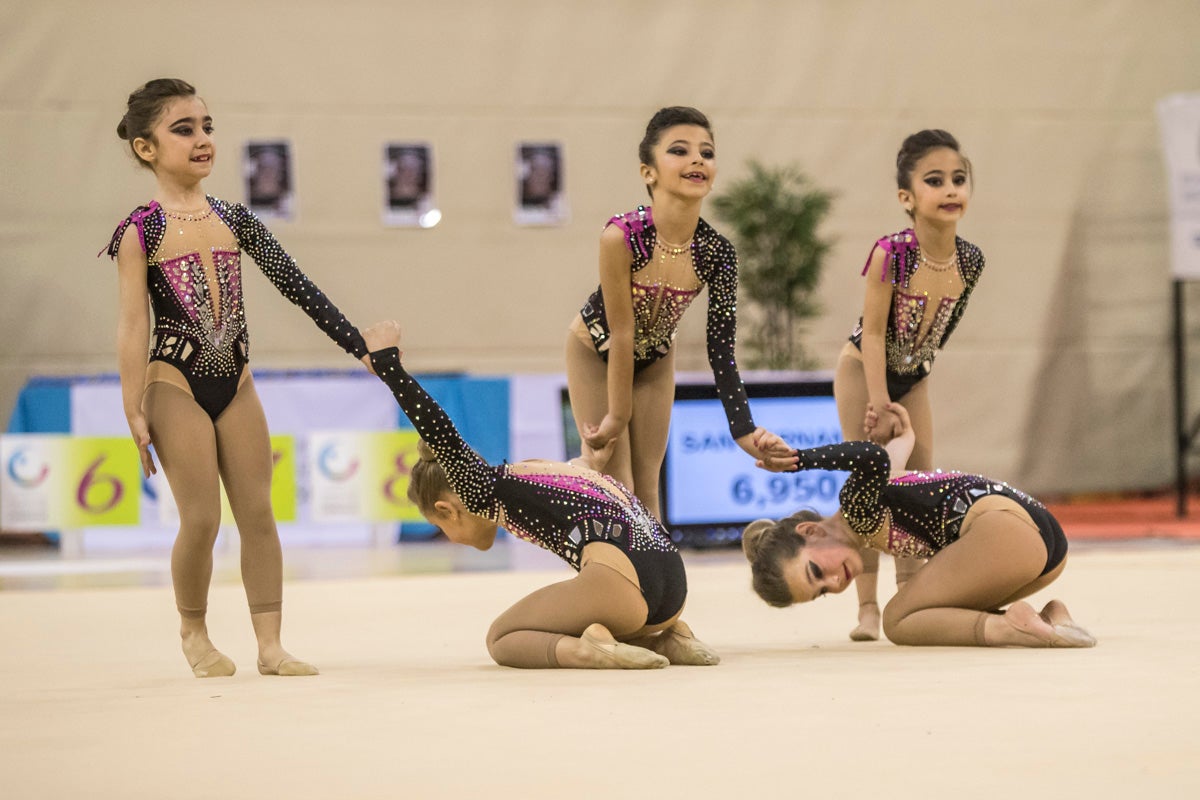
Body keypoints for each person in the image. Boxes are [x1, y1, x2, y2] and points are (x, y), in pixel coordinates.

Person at [100, 78, 370, 677]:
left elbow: (299, 287)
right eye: (184, 129)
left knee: (258, 513)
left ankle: (270, 646)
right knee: (201, 519)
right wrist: (132, 406)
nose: (202, 140)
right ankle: (193, 632)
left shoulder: (233, 218)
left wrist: (360, 346)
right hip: (174, 384)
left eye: (207, 127)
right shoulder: (139, 231)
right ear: (147, 149)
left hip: (237, 384)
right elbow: (130, 326)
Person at [363, 320, 777, 669]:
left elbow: (440, 431)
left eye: (440, 526)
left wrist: (388, 365)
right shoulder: (537, 471)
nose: (449, 538)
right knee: (583, 599)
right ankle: (666, 638)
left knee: (502, 638)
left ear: (446, 508)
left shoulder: (480, 491)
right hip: (673, 590)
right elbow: (582, 475)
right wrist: (592, 459)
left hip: (624, 585)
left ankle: (587, 649)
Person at [566, 106, 788, 519]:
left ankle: (658, 586)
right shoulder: (622, 236)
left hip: (654, 359)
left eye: (707, 152)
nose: (697, 160)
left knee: (648, 489)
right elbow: (621, 332)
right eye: (680, 151)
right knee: (618, 486)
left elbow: (721, 350)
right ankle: (609, 579)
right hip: (596, 351)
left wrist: (744, 429)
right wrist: (616, 416)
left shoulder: (717, 253)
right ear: (648, 172)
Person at [742, 402, 1095, 648]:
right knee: (940, 612)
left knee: (899, 619)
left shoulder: (855, 509)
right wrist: (905, 437)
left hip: (1005, 532)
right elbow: (890, 461)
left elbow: (874, 458)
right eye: (821, 592)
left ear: (810, 531)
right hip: (1045, 551)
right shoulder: (869, 504)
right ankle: (1050, 618)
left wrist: (799, 459)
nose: (834, 584)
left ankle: (1009, 628)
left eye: (816, 571)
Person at [834, 129, 986, 641]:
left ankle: (910, 597)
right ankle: (867, 608)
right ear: (907, 197)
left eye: (959, 180)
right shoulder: (890, 253)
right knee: (872, 485)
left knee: (917, 486)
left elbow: (939, 332)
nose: (950, 190)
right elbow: (874, 333)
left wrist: (910, 386)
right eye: (935, 181)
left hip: (914, 376)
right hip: (864, 371)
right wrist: (879, 401)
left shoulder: (971, 260)